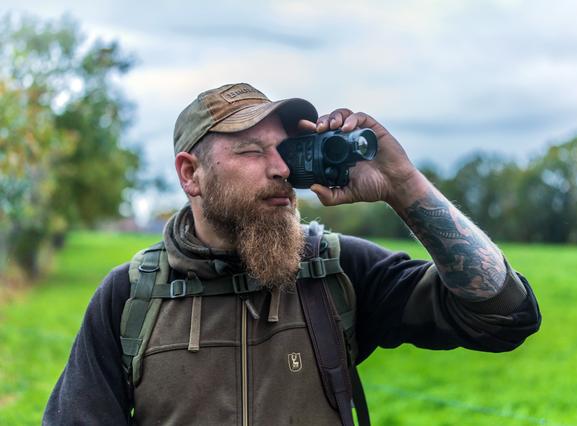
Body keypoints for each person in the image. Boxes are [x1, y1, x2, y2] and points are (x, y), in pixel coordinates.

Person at [44, 83, 541, 425]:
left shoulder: (334, 271)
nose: (282, 169)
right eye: (251, 150)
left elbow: (504, 314)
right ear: (191, 174)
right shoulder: (131, 296)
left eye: (285, 151)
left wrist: (403, 185)